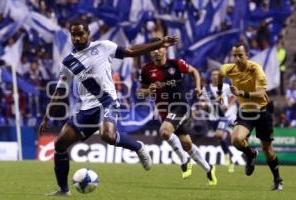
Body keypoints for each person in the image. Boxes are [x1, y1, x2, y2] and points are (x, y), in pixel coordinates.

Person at [38, 19, 179, 196]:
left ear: (88, 33)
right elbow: (60, 91)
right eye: (74, 35)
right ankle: (63, 190)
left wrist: (158, 43)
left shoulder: (103, 46)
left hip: (107, 102)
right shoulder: (68, 62)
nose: (77, 38)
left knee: (107, 135)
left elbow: (130, 51)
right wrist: (46, 117)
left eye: (80, 34)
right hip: (86, 108)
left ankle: (138, 147)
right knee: (59, 144)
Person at [138, 38, 217, 185]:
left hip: (180, 105)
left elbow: (194, 71)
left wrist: (198, 87)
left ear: (165, 50)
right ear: (150, 52)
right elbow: (140, 94)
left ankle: (185, 160)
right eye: (153, 49)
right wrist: (148, 90)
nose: (157, 52)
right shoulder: (147, 70)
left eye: (159, 48)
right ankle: (209, 168)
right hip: (164, 110)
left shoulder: (176, 64)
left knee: (165, 132)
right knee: (186, 144)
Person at [217, 43, 283, 191]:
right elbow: (220, 75)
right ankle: (250, 153)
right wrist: (219, 93)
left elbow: (261, 93)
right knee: (236, 139)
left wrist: (242, 94)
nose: (237, 58)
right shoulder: (228, 69)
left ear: (247, 55)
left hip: (262, 112)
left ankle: (277, 179)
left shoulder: (256, 69)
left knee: (267, 150)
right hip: (245, 112)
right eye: (235, 55)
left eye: (240, 55)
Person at [201, 69, 237, 172]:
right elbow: (203, 102)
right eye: (213, 75)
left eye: (217, 75)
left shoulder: (225, 87)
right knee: (220, 138)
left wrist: (228, 105)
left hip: (224, 116)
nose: (215, 76)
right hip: (212, 117)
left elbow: (235, 96)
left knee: (219, 135)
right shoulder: (206, 89)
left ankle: (228, 132)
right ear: (210, 76)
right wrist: (204, 106)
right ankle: (229, 158)